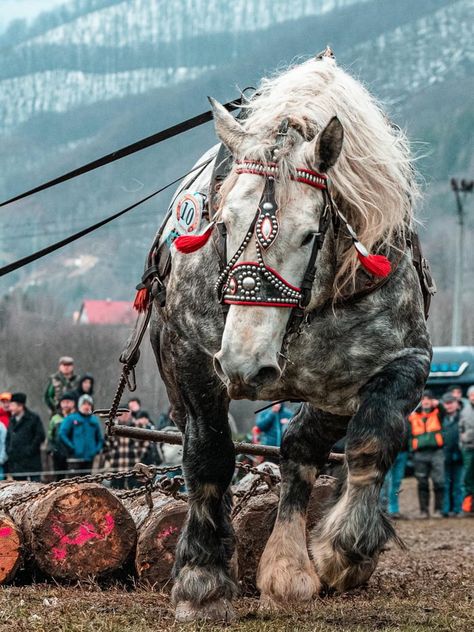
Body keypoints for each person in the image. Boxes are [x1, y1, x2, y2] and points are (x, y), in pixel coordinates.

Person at [408, 390, 445, 518]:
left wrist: (438, 403)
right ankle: (424, 511)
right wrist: (411, 451)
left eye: (429, 399)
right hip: (420, 454)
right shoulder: (413, 416)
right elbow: (408, 434)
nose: (426, 401)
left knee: (438, 482)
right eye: (423, 399)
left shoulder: (438, 413)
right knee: (422, 482)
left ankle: (438, 510)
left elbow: (444, 411)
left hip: (437, 452)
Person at [58, 394, 103, 474]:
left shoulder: (94, 420)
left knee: (88, 482)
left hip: (89, 457)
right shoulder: (71, 418)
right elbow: (62, 434)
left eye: (89, 404)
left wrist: (96, 450)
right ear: (79, 405)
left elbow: (100, 438)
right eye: (84, 404)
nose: (86, 406)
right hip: (75, 458)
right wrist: (71, 447)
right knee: (75, 483)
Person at [6, 393, 45, 481]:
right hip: (16, 462)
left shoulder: (33, 418)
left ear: (20, 406)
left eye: (12, 405)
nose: (10, 408)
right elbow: (8, 438)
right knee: (19, 490)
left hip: (31, 461)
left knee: (36, 488)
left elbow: (40, 436)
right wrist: (9, 450)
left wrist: (30, 450)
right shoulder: (12, 420)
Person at [103, 407, 140, 489]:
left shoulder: (136, 426)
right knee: (116, 491)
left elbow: (143, 444)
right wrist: (110, 459)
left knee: (133, 491)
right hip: (116, 465)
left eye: (126, 413)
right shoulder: (111, 427)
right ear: (117, 415)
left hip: (132, 464)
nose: (124, 416)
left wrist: (139, 456)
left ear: (130, 414)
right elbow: (105, 446)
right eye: (121, 414)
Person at [440, 392, 464, 517]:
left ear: (456, 404)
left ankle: (458, 509)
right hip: (444, 456)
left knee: (458, 484)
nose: (449, 406)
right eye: (446, 403)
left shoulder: (462, 417)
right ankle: (446, 510)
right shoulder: (440, 417)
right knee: (445, 483)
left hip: (459, 455)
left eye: (451, 403)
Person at [381, 417, 410, 519]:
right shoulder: (387, 414)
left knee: (396, 482)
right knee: (385, 481)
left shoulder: (407, 415)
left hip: (403, 452)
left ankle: (393, 510)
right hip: (388, 452)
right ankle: (382, 509)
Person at [47, 391, 77, 480]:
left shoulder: (77, 417)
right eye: (64, 402)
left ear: (73, 403)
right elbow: (50, 436)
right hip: (58, 452)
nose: (66, 405)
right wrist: (51, 449)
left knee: (75, 477)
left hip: (74, 451)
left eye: (68, 402)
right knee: (59, 477)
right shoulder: (55, 418)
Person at [459, 385, 474, 515]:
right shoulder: (464, 411)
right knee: (468, 477)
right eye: (472, 395)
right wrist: (462, 442)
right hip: (468, 448)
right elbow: (460, 429)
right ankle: (467, 507)